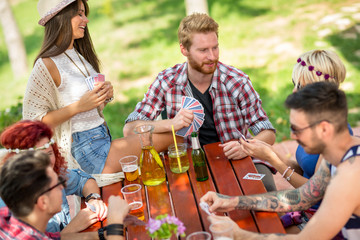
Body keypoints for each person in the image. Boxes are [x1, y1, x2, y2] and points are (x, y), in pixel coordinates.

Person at [123, 13, 277, 191]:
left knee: (265, 191)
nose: (212, 56)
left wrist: (246, 147)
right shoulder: (167, 81)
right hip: (186, 164)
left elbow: (268, 132)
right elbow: (130, 128)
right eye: (203, 50)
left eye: (215, 48)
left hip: (238, 158)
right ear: (184, 50)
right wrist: (171, 124)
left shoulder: (237, 81)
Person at [22, 0, 173, 181]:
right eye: (79, 14)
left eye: (85, 13)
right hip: (87, 151)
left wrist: (103, 97)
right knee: (172, 137)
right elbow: (34, 123)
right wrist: (78, 106)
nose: (86, 19)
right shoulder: (46, 63)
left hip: (102, 140)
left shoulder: (78, 55)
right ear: (60, 17)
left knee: (170, 139)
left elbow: (89, 112)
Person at [201, 81, 360, 239]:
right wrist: (232, 201)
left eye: (297, 129)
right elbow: (302, 197)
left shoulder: (349, 177)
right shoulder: (337, 152)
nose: (292, 136)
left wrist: (237, 234)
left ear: (324, 129)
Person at [238, 49, 353, 231]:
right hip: (306, 209)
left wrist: (274, 160)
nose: (293, 91)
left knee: (255, 225)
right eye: (294, 84)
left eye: (300, 87)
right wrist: (271, 155)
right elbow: (306, 169)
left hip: (320, 218)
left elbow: (314, 192)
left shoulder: (333, 135)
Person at [0, 120, 106, 233]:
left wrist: (93, 199)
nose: (48, 161)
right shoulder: (10, 207)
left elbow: (83, 180)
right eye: (39, 156)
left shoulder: (52, 174)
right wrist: (72, 228)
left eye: (50, 153)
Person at [0, 151, 130, 240]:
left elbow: (56, 238)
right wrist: (115, 222)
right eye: (58, 183)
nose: (63, 187)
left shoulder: (11, 221)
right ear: (43, 202)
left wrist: (101, 234)